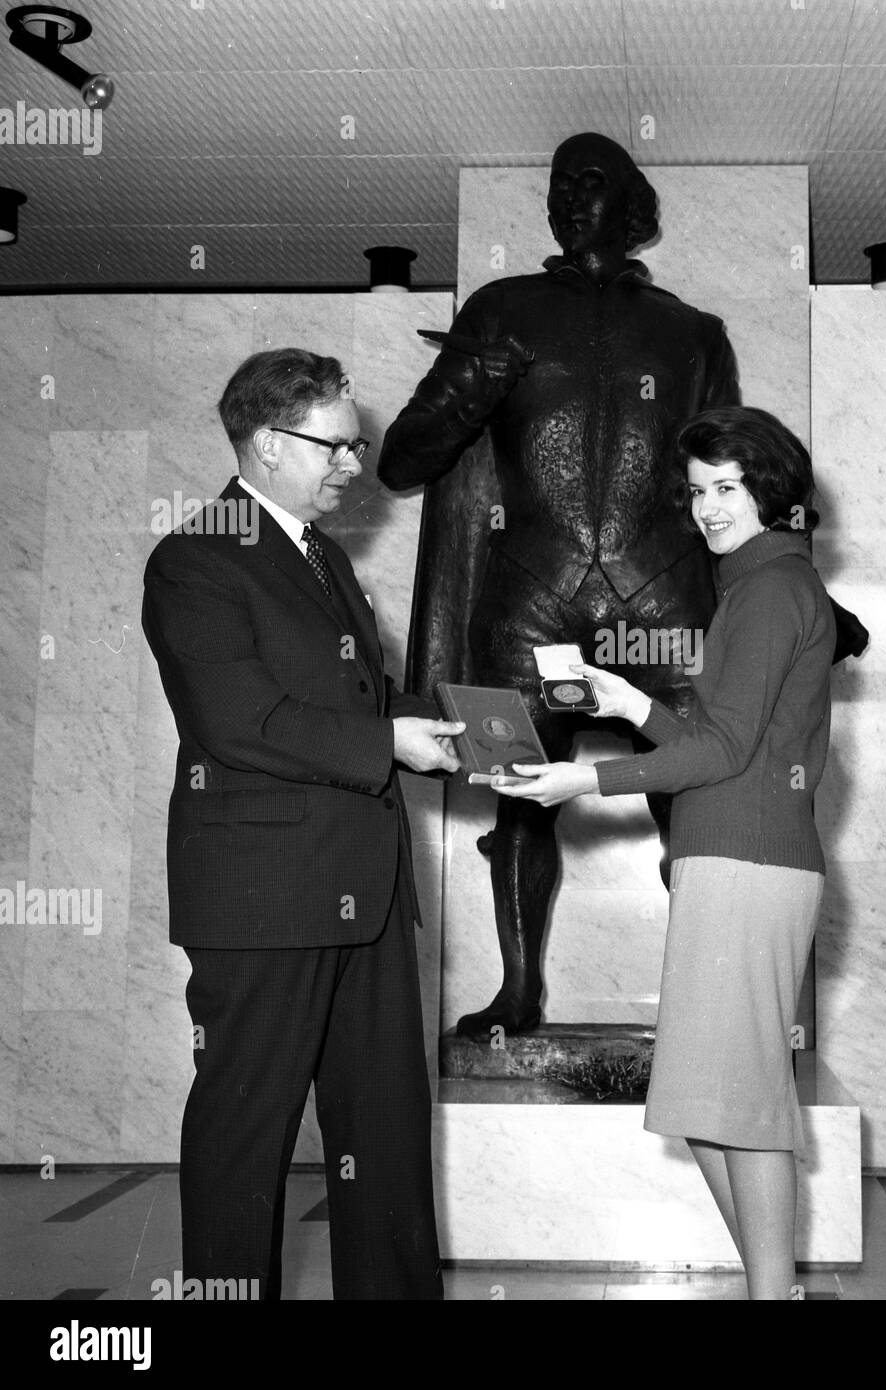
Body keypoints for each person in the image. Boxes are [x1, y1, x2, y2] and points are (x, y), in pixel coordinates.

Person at [377, 130, 740, 1038]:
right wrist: (472, 384)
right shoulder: (503, 309)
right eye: (558, 185)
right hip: (531, 591)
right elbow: (400, 460)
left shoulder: (693, 333)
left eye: (590, 182)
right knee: (516, 795)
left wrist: (789, 589)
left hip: (660, 593)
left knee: (691, 796)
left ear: (632, 202)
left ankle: (706, 995)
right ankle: (519, 990)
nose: (568, 198)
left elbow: (738, 479)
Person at [141, 348, 464, 1300]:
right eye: (336, 446)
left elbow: (355, 696)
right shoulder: (196, 559)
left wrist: (459, 721)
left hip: (362, 885)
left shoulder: (318, 557)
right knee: (246, 1134)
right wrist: (389, 746)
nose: (353, 466)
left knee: (386, 1134)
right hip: (263, 899)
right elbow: (237, 721)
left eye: (353, 445)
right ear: (269, 443)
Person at [495, 405, 835, 1300]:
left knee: (742, 1101)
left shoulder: (770, 591)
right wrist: (623, 702)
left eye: (728, 487)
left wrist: (582, 784)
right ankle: (776, 1291)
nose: (709, 508)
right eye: (696, 492)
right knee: (707, 1101)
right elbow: (726, 738)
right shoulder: (761, 588)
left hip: (747, 865)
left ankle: (775, 1296)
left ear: (773, 489)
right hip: (733, 857)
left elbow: (722, 756)